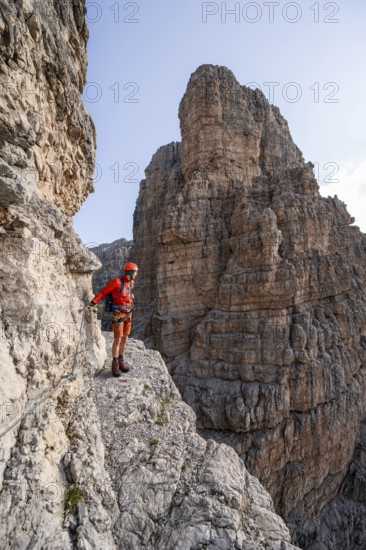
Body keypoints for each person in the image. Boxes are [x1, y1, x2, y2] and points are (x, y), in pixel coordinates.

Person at [89, 262, 138, 377]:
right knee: (117, 339)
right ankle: (115, 363)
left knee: (125, 338)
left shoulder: (131, 283)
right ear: (131, 272)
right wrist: (93, 302)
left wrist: (130, 297)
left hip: (128, 313)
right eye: (135, 272)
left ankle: (121, 360)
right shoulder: (116, 281)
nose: (136, 274)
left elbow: (127, 294)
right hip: (118, 314)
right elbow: (103, 292)